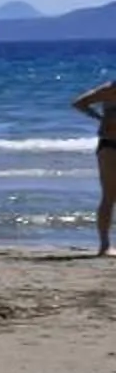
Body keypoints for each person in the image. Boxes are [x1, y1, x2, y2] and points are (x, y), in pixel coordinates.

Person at [76, 81, 116, 256]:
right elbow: (80, 103)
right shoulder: (110, 89)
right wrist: (100, 117)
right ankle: (105, 245)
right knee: (109, 195)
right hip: (110, 144)